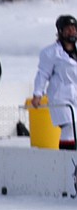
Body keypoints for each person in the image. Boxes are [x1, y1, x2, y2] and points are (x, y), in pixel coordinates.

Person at [31, 15, 77, 150]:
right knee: (69, 126)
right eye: (68, 29)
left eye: (74, 29)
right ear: (61, 31)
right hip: (60, 96)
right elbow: (43, 74)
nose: (72, 32)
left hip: (75, 95)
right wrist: (37, 94)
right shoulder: (51, 53)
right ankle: (67, 159)